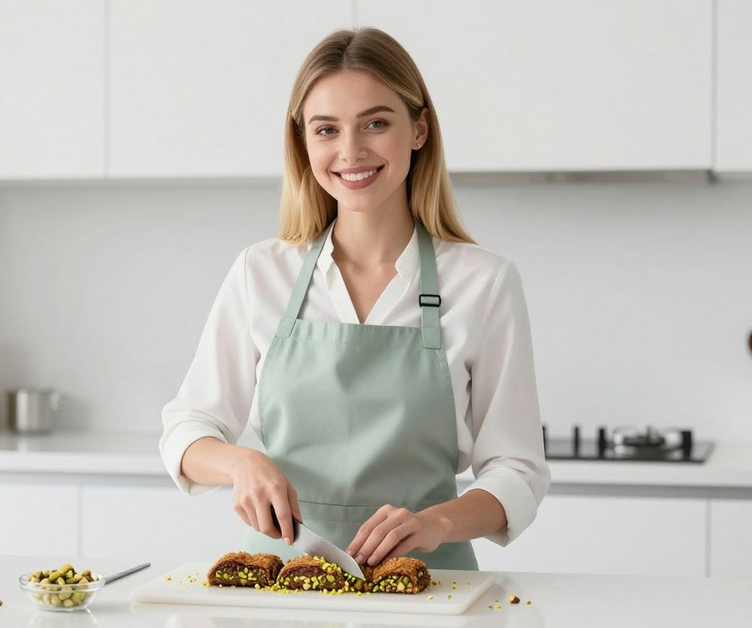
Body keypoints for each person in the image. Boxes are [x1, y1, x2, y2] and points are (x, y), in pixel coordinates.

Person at [159, 27, 549, 571]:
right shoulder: (261, 273)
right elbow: (187, 429)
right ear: (304, 143)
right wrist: (240, 463)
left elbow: (517, 468)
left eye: (376, 123)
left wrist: (436, 523)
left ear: (419, 129)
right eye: (327, 129)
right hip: (282, 582)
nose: (351, 151)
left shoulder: (484, 282)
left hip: (430, 585)